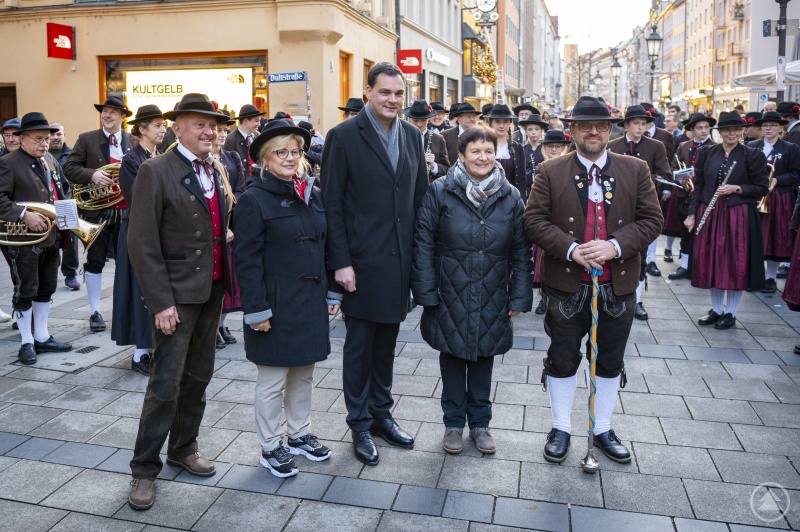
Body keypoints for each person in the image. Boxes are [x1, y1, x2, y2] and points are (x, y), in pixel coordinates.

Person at [524, 96, 663, 465]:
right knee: (562, 357)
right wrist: (572, 249)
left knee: (609, 359)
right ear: (572, 130)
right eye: (585, 126)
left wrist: (614, 246)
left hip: (618, 284)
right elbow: (533, 221)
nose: (593, 132)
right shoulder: (550, 170)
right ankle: (561, 427)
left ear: (610, 130)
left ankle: (602, 428)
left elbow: (653, 220)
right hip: (566, 285)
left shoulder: (635, 169)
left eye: (600, 126)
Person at [126, 93, 234, 511]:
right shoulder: (155, 170)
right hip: (175, 296)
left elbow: (219, 220)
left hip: (212, 290)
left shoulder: (216, 167)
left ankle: (183, 447)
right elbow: (142, 242)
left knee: (199, 376)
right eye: (199, 124)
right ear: (177, 128)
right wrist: (160, 302)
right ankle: (144, 469)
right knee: (165, 384)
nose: (209, 132)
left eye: (213, 126)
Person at [322, 62, 428, 466]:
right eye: (385, 92)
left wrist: (421, 261)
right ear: (368, 92)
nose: (393, 100)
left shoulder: (412, 136)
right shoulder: (344, 136)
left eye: (399, 93)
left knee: (386, 346)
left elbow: (420, 201)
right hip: (361, 264)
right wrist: (340, 263)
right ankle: (360, 424)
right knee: (360, 348)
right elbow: (331, 204)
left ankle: (382, 415)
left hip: (399, 263)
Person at [412, 126, 532, 455]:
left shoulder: (510, 196)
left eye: (488, 151)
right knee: (452, 354)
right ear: (461, 155)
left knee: (483, 356)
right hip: (450, 288)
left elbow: (522, 251)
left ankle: (480, 424)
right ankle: (453, 423)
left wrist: (520, 295)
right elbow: (423, 243)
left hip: (493, 289)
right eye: (475, 151)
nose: (482, 157)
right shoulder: (441, 190)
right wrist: (426, 292)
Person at [234, 119, 338, 478]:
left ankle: (299, 434)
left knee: (304, 374)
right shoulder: (253, 199)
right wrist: (256, 310)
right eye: (281, 152)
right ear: (265, 157)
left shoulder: (312, 192)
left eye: (295, 151)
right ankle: (270, 446)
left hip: (309, 300)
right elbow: (246, 262)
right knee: (272, 380)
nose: (290, 158)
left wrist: (332, 290)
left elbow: (325, 246)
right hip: (274, 305)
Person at [0, 112, 73, 365]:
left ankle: (41, 336)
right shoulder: (8, 163)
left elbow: (61, 191)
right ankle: (26, 342)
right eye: (38, 139)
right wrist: (23, 215)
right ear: (23, 139)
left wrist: (69, 221)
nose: (44, 143)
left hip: (51, 236)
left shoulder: (50, 161)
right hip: (23, 240)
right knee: (26, 290)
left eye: (47, 138)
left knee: (46, 288)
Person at [686, 112, 769, 330]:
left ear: (742, 131)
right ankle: (716, 310)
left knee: (734, 263)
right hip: (710, 212)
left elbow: (762, 188)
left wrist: (737, 188)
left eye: (736, 129)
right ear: (720, 132)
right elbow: (699, 185)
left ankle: (730, 312)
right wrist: (692, 214)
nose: (732, 133)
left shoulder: (752, 155)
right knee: (712, 262)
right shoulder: (706, 152)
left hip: (738, 214)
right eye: (727, 130)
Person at [63, 96, 133, 333]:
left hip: (126, 211)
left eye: (113, 112)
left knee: (128, 262)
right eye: (104, 111)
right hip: (98, 212)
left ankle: (125, 311)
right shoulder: (87, 139)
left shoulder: (132, 140)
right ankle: (95, 311)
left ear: (122, 116)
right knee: (95, 261)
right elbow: (69, 168)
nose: (107, 115)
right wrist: (91, 174)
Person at [113, 105, 166, 375]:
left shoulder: (160, 156)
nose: (163, 129)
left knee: (154, 288)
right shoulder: (131, 160)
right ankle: (139, 354)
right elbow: (138, 199)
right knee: (138, 289)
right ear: (141, 129)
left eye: (163, 124)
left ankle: (152, 347)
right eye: (157, 125)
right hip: (137, 230)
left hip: (157, 229)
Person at [607, 105, 672, 320]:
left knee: (639, 254)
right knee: (615, 248)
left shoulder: (656, 146)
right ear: (626, 125)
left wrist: (644, 179)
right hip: (616, 206)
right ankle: (613, 294)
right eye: (636, 123)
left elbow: (665, 174)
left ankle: (637, 299)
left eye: (644, 124)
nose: (640, 127)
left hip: (642, 207)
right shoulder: (613, 145)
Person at [746, 111, 800, 293]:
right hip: (755, 196)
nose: (769, 129)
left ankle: (771, 277)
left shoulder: (790, 148)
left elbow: (797, 174)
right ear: (761, 128)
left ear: (780, 128)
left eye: (773, 125)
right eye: (765, 125)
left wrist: (777, 180)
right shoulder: (751, 146)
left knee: (775, 236)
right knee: (755, 235)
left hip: (779, 198)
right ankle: (754, 276)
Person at [665, 113, 717, 279]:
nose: (704, 131)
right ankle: (685, 265)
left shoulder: (715, 147)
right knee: (685, 231)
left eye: (706, 128)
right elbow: (673, 167)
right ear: (692, 130)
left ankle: (702, 266)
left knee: (704, 232)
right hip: (685, 195)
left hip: (704, 196)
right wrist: (681, 179)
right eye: (699, 128)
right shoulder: (684, 146)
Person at [212, 109, 246, 349]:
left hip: (231, 226)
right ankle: (212, 327)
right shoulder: (202, 158)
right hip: (212, 228)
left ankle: (222, 324)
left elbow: (241, 190)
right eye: (219, 130)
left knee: (230, 282)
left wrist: (231, 222)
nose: (223, 134)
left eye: (226, 130)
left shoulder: (232, 157)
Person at [531, 130, 573, 317]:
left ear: (564, 148)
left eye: (558, 146)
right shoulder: (540, 167)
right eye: (550, 147)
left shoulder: (569, 168)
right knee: (541, 261)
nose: (554, 150)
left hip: (563, 219)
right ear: (544, 148)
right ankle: (543, 296)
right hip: (543, 220)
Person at [48, 122, 80, 292]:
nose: (55, 137)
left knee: (71, 241)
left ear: (64, 135)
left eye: (58, 134)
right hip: (48, 204)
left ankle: (70, 275)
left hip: (68, 202)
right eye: (52, 134)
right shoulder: (41, 154)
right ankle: (48, 275)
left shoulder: (74, 154)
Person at [484, 104, 528, 199]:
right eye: (497, 122)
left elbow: (521, 180)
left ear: (510, 123)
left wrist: (522, 203)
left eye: (505, 122)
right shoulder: (483, 146)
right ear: (491, 123)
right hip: (487, 198)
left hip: (510, 199)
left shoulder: (517, 148)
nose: (501, 126)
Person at [403, 99, 449, 182]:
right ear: (409, 119)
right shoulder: (402, 137)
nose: (419, 124)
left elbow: (446, 169)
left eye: (423, 120)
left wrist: (433, 165)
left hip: (430, 186)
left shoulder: (438, 139)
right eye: (415, 120)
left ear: (428, 119)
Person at [223, 104, 265, 174]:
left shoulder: (259, 137)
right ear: (245, 121)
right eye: (256, 121)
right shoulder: (230, 140)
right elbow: (229, 169)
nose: (259, 124)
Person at [520, 114, 548, 200]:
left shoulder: (546, 149)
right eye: (530, 129)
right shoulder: (522, 149)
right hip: (526, 191)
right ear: (526, 131)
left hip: (544, 188)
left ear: (541, 130)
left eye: (537, 129)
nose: (533, 132)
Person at [442, 102, 479, 166]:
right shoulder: (445, 136)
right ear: (459, 119)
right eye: (468, 116)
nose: (472, 119)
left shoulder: (481, 135)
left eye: (474, 116)